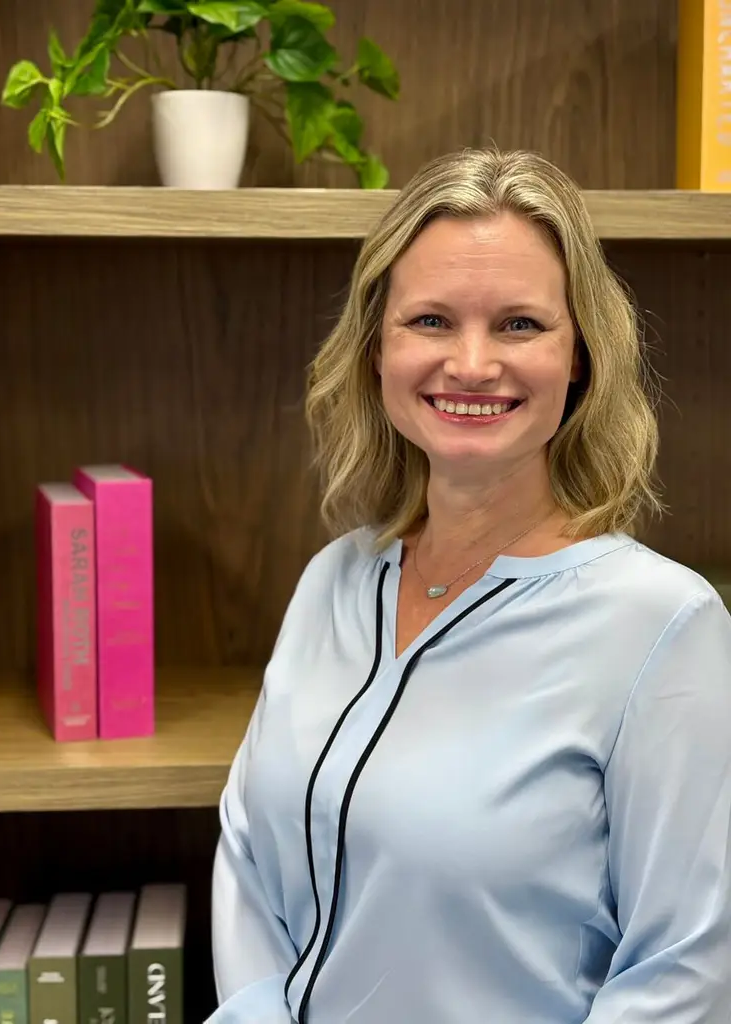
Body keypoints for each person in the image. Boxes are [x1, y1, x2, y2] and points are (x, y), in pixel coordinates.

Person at [205, 147, 731, 1024]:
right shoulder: (334, 581)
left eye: (520, 324)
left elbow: (687, 974)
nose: (473, 364)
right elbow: (250, 857)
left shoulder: (664, 626)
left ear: (580, 356)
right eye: (432, 321)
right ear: (378, 349)